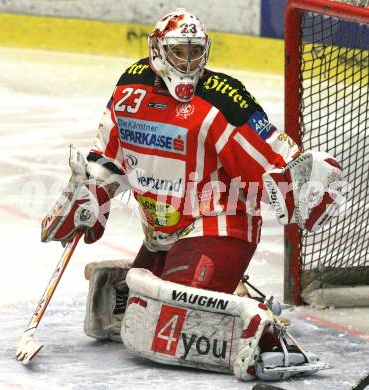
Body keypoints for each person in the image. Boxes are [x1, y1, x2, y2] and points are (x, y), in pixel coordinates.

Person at [41, 8, 343, 382]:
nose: (187, 62)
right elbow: (108, 156)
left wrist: (306, 184)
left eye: (194, 52)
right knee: (140, 315)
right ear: (157, 50)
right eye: (178, 52)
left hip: (218, 225)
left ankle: (261, 326)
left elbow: (274, 159)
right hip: (163, 232)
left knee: (165, 321)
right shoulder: (127, 90)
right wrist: (91, 197)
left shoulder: (222, 101)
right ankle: (207, 289)